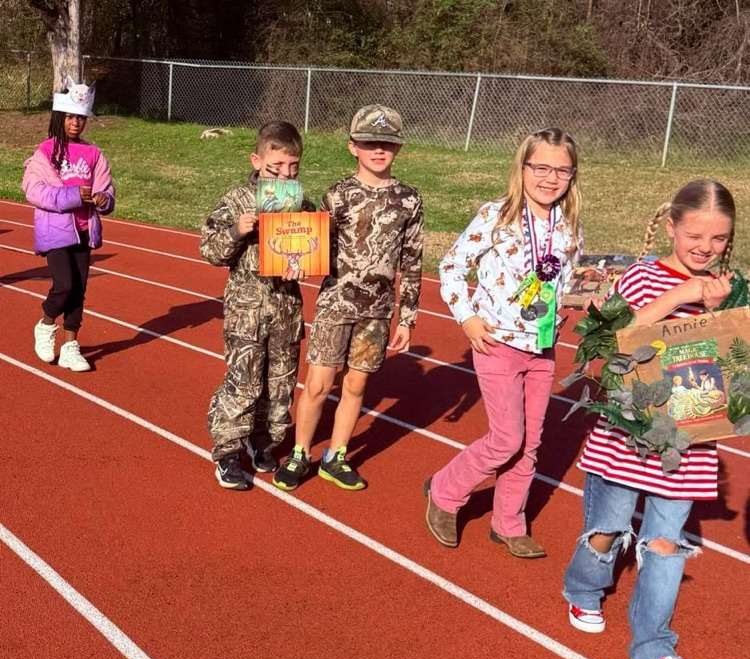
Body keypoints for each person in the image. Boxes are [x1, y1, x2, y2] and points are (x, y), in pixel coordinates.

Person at [562, 179, 735, 659]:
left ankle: (653, 641)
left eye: (719, 239)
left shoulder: (731, 288)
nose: (705, 248)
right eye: (694, 235)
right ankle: (582, 590)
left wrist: (719, 313)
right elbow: (612, 341)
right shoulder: (641, 276)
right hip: (628, 432)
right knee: (609, 528)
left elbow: (733, 359)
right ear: (670, 227)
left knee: (664, 542)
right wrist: (682, 294)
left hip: (689, 440)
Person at [423, 127, 584, 559]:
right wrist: (468, 318)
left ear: (573, 176)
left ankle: (509, 522)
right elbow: (452, 265)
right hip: (497, 344)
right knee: (506, 438)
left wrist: (576, 300)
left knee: (531, 442)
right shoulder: (496, 215)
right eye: (541, 168)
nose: (550, 179)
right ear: (523, 168)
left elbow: (559, 284)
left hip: (543, 347)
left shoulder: (569, 228)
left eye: (562, 171)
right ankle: (445, 491)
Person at [272, 104, 423, 492]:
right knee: (319, 383)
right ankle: (300, 452)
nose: (379, 150)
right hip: (336, 303)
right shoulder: (336, 196)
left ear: (399, 148)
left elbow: (413, 259)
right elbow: (312, 245)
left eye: (387, 143)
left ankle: (335, 455)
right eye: (370, 142)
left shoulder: (409, 199)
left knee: (356, 386)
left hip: (377, 310)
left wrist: (406, 318)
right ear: (353, 146)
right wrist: (294, 260)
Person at [201, 121, 313, 490]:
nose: (285, 174)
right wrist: (237, 231)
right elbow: (209, 251)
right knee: (244, 382)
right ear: (256, 159)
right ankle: (227, 452)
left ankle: (265, 442)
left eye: (293, 166)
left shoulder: (302, 204)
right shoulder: (235, 201)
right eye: (276, 167)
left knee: (281, 384)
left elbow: (312, 254)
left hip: (286, 311)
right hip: (246, 312)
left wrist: (304, 264)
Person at [22, 77, 115, 372]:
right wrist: (73, 195)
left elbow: (107, 188)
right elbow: (34, 191)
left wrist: (103, 199)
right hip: (55, 231)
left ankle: (71, 345)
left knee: (79, 291)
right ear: (60, 117)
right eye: (71, 117)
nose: (76, 123)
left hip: (84, 230)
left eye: (81, 118)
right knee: (64, 285)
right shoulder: (46, 151)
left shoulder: (93, 153)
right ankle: (46, 324)